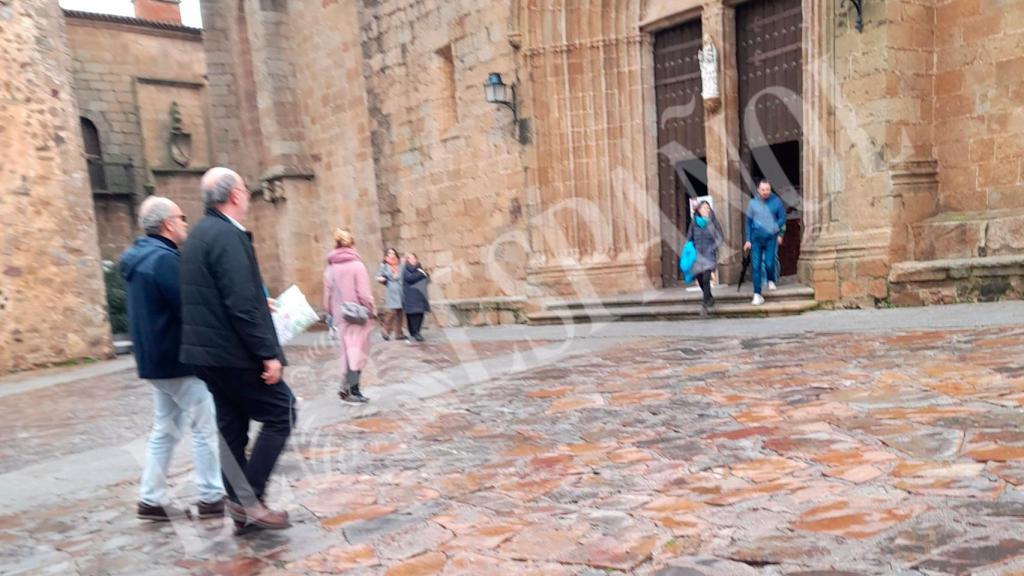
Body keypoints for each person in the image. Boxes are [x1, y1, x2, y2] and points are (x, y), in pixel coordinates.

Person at [179, 167, 294, 531]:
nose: (246, 194)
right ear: (235, 196)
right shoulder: (229, 236)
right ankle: (250, 500)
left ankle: (239, 503)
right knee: (282, 410)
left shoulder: (198, 235)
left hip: (206, 354)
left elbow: (218, 296)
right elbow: (241, 302)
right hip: (233, 353)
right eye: (245, 188)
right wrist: (268, 354)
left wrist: (263, 307)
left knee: (231, 426)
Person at [121, 197, 225, 522]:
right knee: (205, 428)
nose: (185, 224)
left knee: (164, 430)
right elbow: (190, 308)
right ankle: (211, 495)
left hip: (156, 361)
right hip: (179, 361)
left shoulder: (140, 259)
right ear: (167, 224)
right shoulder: (164, 261)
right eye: (181, 218)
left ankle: (151, 498)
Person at [324, 229, 376, 404]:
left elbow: (327, 296)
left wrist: (331, 313)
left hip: (340, 316)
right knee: (357, 353)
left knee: (347, 352)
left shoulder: (330, 268)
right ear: (352, 244)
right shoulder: (357, 266)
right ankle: (354, 391)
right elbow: (364, 294)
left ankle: (345, 388)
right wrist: (370, 308)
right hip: (357, 315)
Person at [743, 178, 786, 306]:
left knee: (769, 262)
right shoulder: (752, 203)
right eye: (763, 190)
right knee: (756, 266)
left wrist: (775, 226)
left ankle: (771, 279)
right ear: (758, 190)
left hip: (770, 238)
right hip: (756, 239)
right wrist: (748, 239)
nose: (766, 192)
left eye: (768, 189)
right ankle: (757, 294)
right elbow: (748, 222)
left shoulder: (776, 202)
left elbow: (782, 218)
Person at [686, 200, 726, 315]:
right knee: (699, 277)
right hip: (697, 254)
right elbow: (689, 237)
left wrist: (713, 247)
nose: (706, 210)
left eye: (708, 208)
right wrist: (689, 248)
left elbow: (720, 237)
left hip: (709, 254)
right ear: (698, 210)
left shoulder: (713, 222)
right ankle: (710, 298)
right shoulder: (694, 223)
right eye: (704, 208)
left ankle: (705, 304)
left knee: (706, 278)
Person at [376, 248, 405, 341]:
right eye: (389, 253)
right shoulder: (384, 264)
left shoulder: (399, 263)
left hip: (401, 289)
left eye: (393, 253)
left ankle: (399, 333)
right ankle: (385, 330)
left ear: (396, 254)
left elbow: (403, 274)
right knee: (392, 311)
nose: (391, 255)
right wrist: (388, 278)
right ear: (387, 255)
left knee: (400, 311)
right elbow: (379, 276)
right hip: (392, 289)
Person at [402, 253, 430, 342]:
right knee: (412, 315)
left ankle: (417, 332)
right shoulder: (405, 269)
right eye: (410, 258)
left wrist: (423, 274)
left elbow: (427, 278)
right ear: (407, 260)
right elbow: (410, 278)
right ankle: (414, 332)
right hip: (410, 295)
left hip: (420, 295)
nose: (413, 260)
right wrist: (421, 274)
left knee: (420, 314)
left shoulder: (420, 269)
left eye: (414, 258)